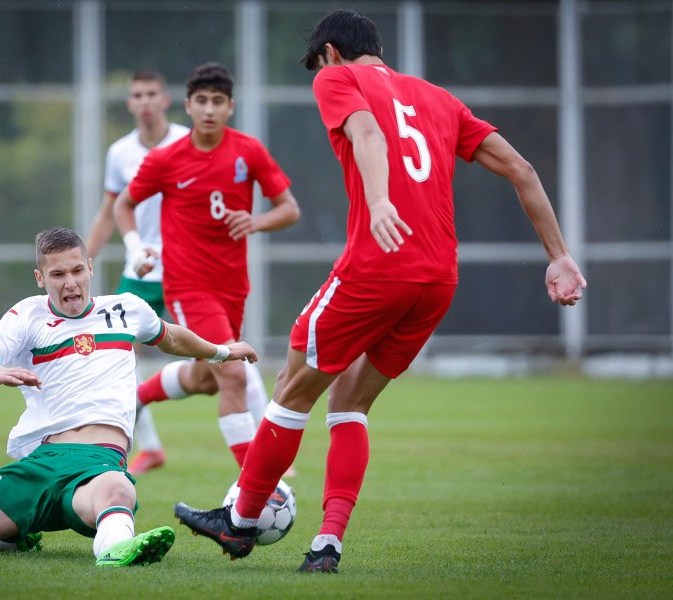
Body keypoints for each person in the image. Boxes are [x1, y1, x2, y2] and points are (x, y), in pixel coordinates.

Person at [173, 10, 587, 574]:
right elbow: (522, 169)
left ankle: (241, 520)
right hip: (438, 278)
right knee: (351, 403)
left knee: (293, 387)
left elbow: (366, 131)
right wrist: (558, 255)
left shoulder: (336, 78)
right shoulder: (438, 98)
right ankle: (327, 545)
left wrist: (382, 199)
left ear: (331, 54)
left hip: (376, 265)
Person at [0, 226, 259, 567]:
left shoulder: (125, 309)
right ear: (40, 278)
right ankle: (9, 534)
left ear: (90, 268)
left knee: (117, 492)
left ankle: (116, 550)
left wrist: (222, 352)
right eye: (57, 275)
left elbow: (173, 337)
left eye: (77, 271)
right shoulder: (26, 315)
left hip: (97, 463)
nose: (70, 283)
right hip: (37, 465)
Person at [114, 63, 300, 470]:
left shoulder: (248, 150)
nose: (209, 109)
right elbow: (123, 203)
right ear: (188, 106)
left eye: (218, 101)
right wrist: (135, 247)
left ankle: (141, 395)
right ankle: (260, 491)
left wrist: (257, 221)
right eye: (202, 101)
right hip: (187, 286)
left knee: (207, 378)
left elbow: (289, 209)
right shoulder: (166, 160)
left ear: (230, 106)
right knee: (233, 373)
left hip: (233, 286)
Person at [84, 68, 189, 476]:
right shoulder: (119, 153)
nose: (144, 101)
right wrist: (84, 262)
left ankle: (261, 451)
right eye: (137, 95)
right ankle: (151, 448)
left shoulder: (186, 141)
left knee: (222, 356)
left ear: (165, 99)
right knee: (115, 355)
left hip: (186, 269)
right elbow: (109, 212)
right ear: (129, 103)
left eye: (151, 94)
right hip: (139, 269)